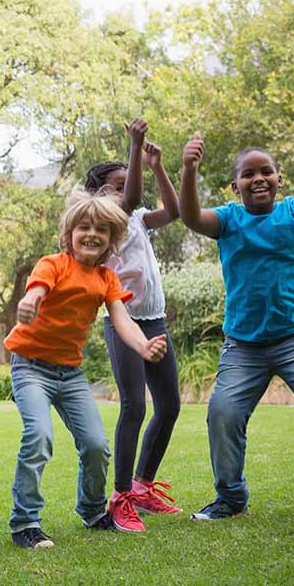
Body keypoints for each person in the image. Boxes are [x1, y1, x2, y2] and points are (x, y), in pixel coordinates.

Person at [179, 128, 294, 520]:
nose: (258, 178)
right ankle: (230, 498)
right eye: (248, 174)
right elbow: (191, 217)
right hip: (243, 345)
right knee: (223, 412)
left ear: (279, 179)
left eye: (266, 171)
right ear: (235, 186)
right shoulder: (228, 219)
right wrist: (189, 169)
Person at [6, 193, 167, 549]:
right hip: (31, 367)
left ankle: (93, 511)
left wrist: (144, 347)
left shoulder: (107, 278)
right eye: (84, 227)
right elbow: (37, 290)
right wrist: (29, 302)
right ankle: (25, 522)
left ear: (112, 240)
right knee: (39, 437)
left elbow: (122, 320)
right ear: (69, 234)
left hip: (70, 374)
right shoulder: (53, 264)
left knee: (96, 445)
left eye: (101, 230)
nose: (92, 234)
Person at [83, 119, 182, 532]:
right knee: (134, 406)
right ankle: (120, 495)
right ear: (100, 193)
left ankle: (142, 486)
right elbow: (132, 199)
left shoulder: (137, 217)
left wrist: (157, 166)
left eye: (129, 181)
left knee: (170, 405)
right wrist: (135, 144)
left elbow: (174, 211)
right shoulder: (107, 219)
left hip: (155, 320)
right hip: (124, 321)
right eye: (118, 184)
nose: (126, 191)